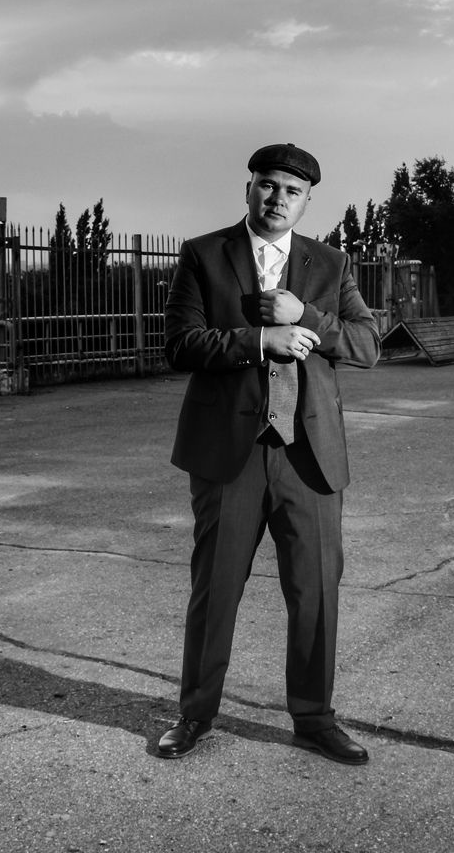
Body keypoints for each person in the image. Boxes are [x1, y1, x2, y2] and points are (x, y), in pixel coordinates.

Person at [156, 142, 380, 765]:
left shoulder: (330, 264)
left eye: (292, 191)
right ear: (249, 187)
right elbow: (180, 344)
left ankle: (314, 719)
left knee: (316, 592)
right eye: (268, 185)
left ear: (307, 201)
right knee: (216, 589)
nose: (278, 198)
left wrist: (306, 315)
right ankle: (195, 714)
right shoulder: (204, 254)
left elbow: (367, 344)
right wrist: (260, 339)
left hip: (310, 456)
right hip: (230, 452)